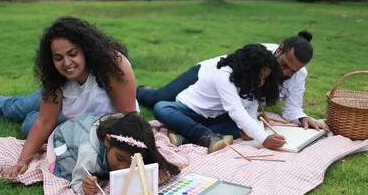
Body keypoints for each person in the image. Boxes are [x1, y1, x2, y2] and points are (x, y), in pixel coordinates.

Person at [0, 16, 139, 175]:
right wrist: (22, 163)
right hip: (69, 109)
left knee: (29, 125)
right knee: (18, 107)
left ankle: (31, 114)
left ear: (86, 49)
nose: (67, 63)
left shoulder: (111, 65)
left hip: (82, 124)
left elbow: (128, 116)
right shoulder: (57, 77)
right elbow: (45, 122)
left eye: (73, 53)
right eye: (58, 58)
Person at [138, 31, 323, 131]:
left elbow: (291, 107)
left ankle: (190, 133)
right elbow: (235, 82)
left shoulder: (299, 74)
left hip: (222, 101)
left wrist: (302, 117)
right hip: (206, 76)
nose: (286, 72)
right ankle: (139, 90)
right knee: (159, 98)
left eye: (293, 70)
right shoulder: (259, 55)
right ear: (280, 49)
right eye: (284, 65)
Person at [2, 112, 181, 195]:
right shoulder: (89, 152)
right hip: (63, 140)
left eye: (130, 162)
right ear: (107, 141)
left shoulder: (130, 139)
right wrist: (84, 188)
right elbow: (77, 183)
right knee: (68, 171)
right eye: (119, 159)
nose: (123, 167)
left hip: (86, 126)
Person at [153, 44, 284, 153]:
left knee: (241, 126)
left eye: (265, 78)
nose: (261, 82)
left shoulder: (253, 85)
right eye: (259, 76)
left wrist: (254, 127)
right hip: (190, 112)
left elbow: (249, 110)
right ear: (247, 71)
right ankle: (208, 136)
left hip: (216, 118)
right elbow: (236, 111)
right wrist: (263, 138)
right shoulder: (224, 76)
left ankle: (186, 136)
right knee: (162, 107)